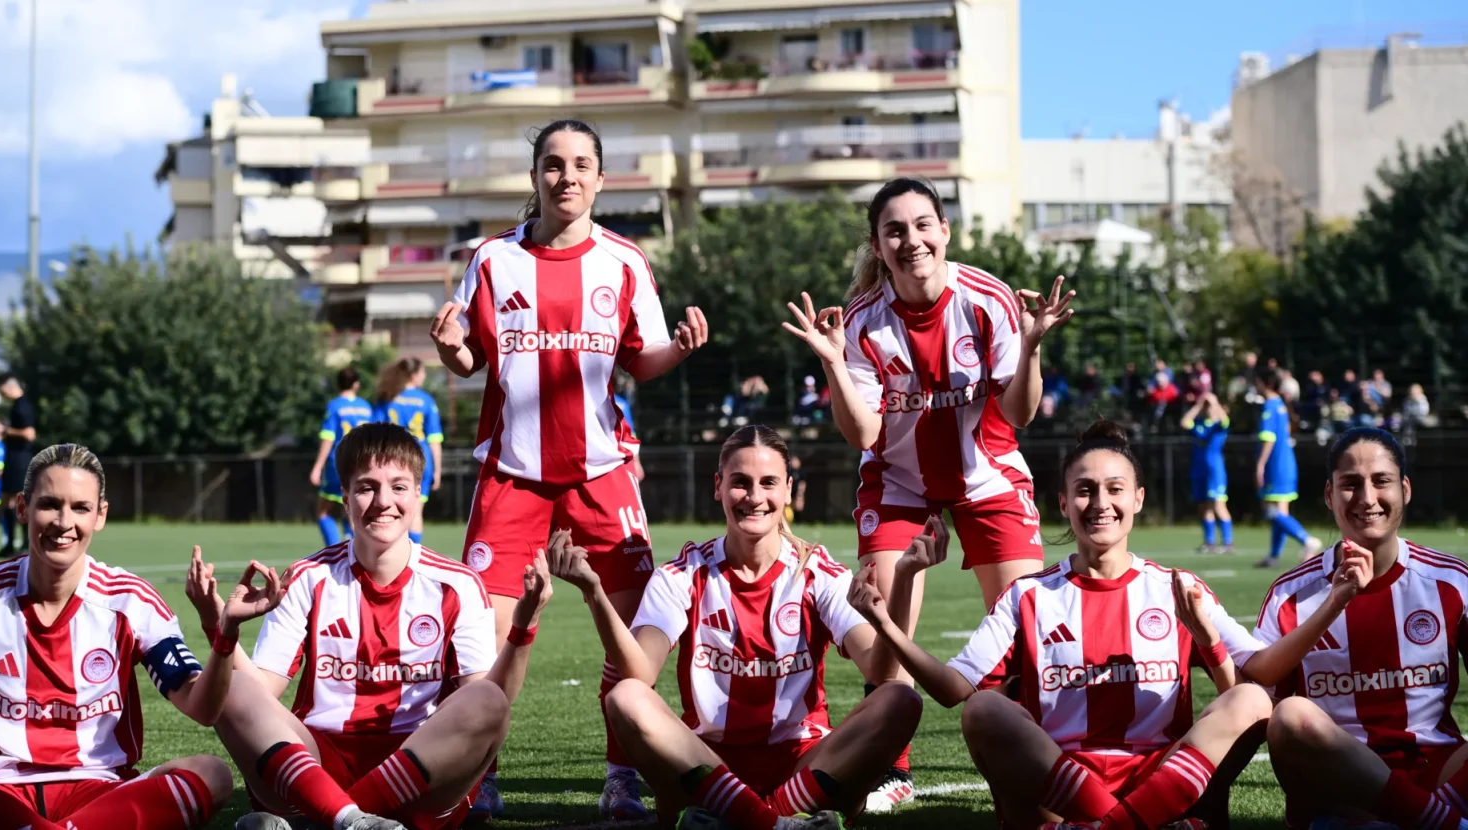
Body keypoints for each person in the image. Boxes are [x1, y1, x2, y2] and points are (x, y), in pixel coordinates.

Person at [849, 420, 1371, 829]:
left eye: (1115, 489)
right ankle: (1130, 823)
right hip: (1063, 789)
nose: (1100, 504)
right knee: (984, 708)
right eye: (1085, 490)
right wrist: (885, 619)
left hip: (1162, 780)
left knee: (1254, 700)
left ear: (1137, 499)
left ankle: (1113, 825)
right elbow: (952, 690)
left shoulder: (1174, 587)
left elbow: (1254, 680)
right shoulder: (1029, 594)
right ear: (1062, 503)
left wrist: (1210, 638)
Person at [430, 117, 707, 820]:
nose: (567, 177)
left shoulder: (625, 261)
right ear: (535, 176)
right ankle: (479, 777)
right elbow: (469, 359)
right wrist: (449, 349)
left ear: (601, 179)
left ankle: (622, 778)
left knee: (630, 635)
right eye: (553, 164)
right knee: (485, 639)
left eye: (582, 164)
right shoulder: (493, 258)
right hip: (511, 476)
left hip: (601, 475)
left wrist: (678, 349)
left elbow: (641, 359)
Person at [783, 177, 1072, 811]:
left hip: (988, 476)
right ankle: (891, 771)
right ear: (877, 245)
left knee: (1026, 631)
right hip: (899, 481)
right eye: (894, 231)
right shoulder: (863, 320)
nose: (910, 240)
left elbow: (1020, 415)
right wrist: (833, 363)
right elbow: (864, 433)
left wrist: (1031, 347)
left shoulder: (988, 299)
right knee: (884, 627)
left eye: (921, 226)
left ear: (944, 231)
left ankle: (1027, 767)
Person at [548, 425, 922, 830]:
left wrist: (897, 589)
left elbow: (879, 674)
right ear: (719, 487)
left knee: (900, 699)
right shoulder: (683, 574)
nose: (755, 497)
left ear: (788, 490)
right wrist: (595, 593)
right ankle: (777, 822)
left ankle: (752, 815)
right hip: (708, 767)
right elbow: (641, 672)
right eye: (740, 482)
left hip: (804, 764)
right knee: (625, 697)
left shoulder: (818, 572)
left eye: (769, 483)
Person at [210, 422, 550, 830]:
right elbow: (259, 695)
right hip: (316, 767)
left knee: (488, 700)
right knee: (232, 686)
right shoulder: (307, 578)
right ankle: (350, 819)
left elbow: (487, 702)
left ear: (418, 493)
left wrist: (523, 627)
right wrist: (224, 629)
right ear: (345, 497)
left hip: (420, 769)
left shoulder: (457, 584)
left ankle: (333, 818)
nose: (383, 501)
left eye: (398, 487)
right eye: (367, 487)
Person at [0, 443, 285, 829]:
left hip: (100, 793)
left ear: (100, 515)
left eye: (80, 508)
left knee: (211, 774)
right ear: (22, 508)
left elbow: (201, 707)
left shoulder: (129, 599)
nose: (64, 522)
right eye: (50, 504)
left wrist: (225, 632)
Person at [1259, 427, 1468, 829]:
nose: (1367, 498)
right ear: (1329, 495)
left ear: (1405, 490)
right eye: (1351, 484)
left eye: (1381, 481)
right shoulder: (1289, 596)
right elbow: (1263, 715)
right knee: (1289, 716)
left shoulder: (1452, 582)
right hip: (1342, 790)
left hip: (1437, 772)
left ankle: (1429, 816)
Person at [1254, 368, 1323, 567]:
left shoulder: (1270, 406)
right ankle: (1274, 556)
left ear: (1265, 383)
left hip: (1275, 465)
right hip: (1286, 463)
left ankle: (1307, 540)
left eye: (1257, 382)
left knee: (1270, 510)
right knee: (1280, 511)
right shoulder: (1281, 405)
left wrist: (1260, 464)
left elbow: (1268, 438)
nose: (1255, 386)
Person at [374, 357, 444, 544]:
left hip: (392, 458)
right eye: (422, 372)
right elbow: (435, 439)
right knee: (415, 512)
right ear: (413, 375)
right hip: (421, 458)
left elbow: (375, 432)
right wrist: (437, 470)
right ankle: (414, 555)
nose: (424, 376)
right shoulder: (426, 400)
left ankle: (392, 552)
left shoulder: (388, 396)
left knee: (390, 509)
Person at [309, 367, 373, 546]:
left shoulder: (335, 406)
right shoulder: (365, 407)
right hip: (362, 464)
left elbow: (328, 437)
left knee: (323, 511)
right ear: (356, 385)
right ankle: (355, 547)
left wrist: (317, 468)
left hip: (338, 463)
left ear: (338, 384)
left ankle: (336, 551)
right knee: (352, 510)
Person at [1181, 393, 1234, 554]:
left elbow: (1226, 420)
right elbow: (1184, 423)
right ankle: (1209, 542)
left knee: (1218, 505)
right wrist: (1198, 405)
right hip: (1199, 469)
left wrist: (1214, 402)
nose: (1208, 408)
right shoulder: (1199, 423)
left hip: (1215, 471)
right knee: (1204, 506)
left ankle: (1228, 542)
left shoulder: (1218, 426)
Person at [0, 372, 36, 559]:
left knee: (21, 499)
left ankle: (26, 544)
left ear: (9, 386)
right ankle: (10, 544)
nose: (2, 395)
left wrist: (5, 430)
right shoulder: (16, 406)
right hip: (13, 458)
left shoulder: (23, 406)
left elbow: (29, 434)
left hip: (20, 459)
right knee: (6, 500)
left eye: (2, 391)